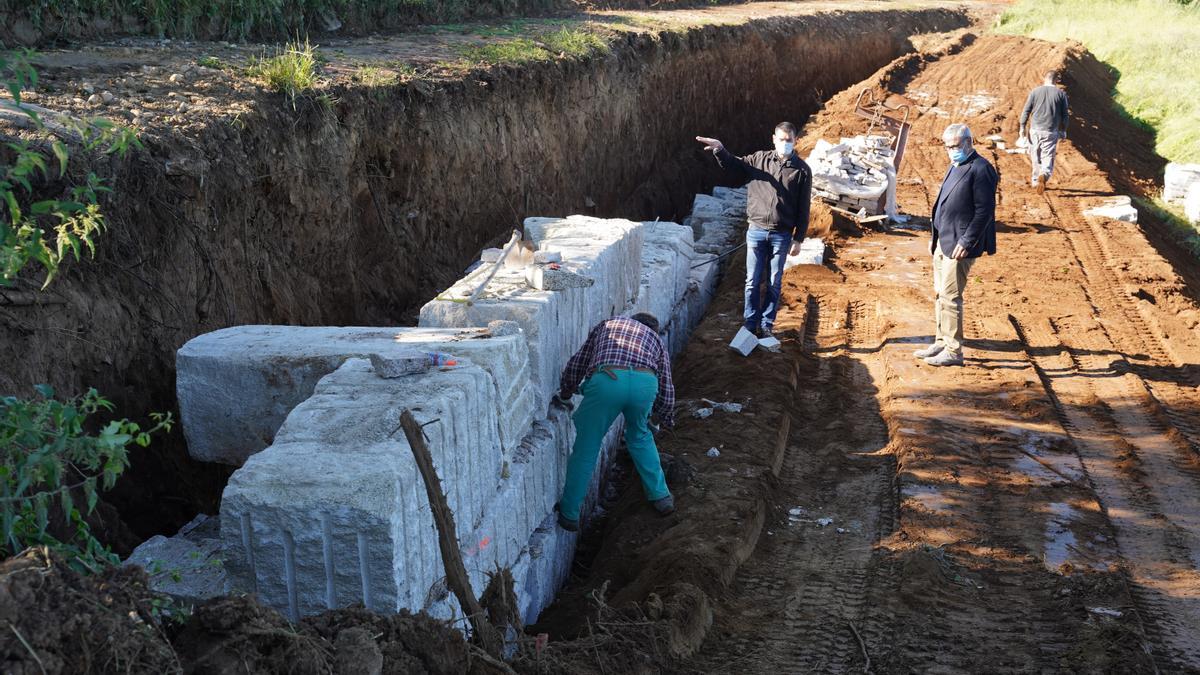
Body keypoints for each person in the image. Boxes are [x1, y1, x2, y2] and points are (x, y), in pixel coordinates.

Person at [552, 313, 676, 531]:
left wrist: (566, 391)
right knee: (640, 436)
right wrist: (663, 417)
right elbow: (666, 383)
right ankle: (661, 496)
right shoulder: (655, 340)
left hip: (608, 379)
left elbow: (579, 362)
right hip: (645, 384)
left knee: (587, 447)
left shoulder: (609, 325)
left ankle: (569, 513)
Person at [696, 122, 812, 339]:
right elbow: (735, 167)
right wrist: (720, 150)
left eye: (789, 140)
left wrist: (799, 239)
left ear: (795, 140)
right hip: (756, 230)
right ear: (773, 139)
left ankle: (767, 324)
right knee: (752, 280)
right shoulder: (759, 160)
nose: (785, 144)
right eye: (781, 139)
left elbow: (804, 207)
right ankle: (750, 323)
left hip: (781, 233)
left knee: (773, 282)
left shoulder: (802, 170)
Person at [913, 123, 998, 367]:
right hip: (944, 240)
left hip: (960, 244)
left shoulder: (981, 169)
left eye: (955, 146)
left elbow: (984, 212)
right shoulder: (956, 165)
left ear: (969, 142)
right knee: (940, 294)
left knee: (951, 296)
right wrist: (936, 234)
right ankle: (941, 341)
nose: (951, 151)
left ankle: (953, 350)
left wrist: (967, 241)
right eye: (948, 147)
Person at [1019, 70, 1069, 195]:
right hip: (1050, 131)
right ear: (1056, 80)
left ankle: (1036, 181)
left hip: (1034, 130)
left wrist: (1022, 127)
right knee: (1048, 155)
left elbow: (1026, 111)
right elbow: (1065, 115)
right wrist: (1063, 130)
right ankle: (1044, 174)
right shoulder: (1061, 94)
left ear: (1045, 79)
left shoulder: (1035, 92)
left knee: (1035, 154)